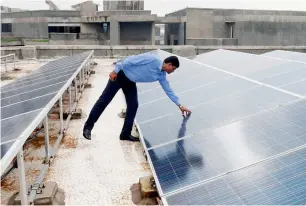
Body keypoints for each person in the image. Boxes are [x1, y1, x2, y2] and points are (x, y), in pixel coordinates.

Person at [83, 53, 192, 141]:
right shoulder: (152, 59)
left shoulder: (161, 75)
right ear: (169, 64)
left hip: (131, 82)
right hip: (120, 75)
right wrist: (115, 71)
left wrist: (179, 105)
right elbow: (129, 60)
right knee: (104, 100)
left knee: (133, 105)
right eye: (173, 69)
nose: (172, 72)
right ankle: (88, 127)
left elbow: (168, 90)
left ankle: (125, 134)